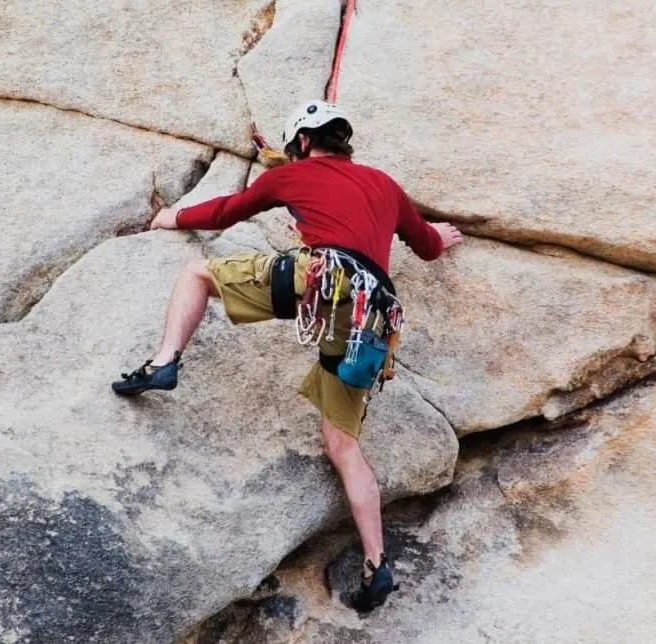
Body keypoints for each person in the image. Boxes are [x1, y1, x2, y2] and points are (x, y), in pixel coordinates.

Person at [111, 100, 463, 611]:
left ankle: (164, 361)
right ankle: (377, 562)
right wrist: (444, 238)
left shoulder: (291, 178)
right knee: (342, 443)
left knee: (196, 274)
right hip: (371, 315)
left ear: (302, 142)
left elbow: (227, 211)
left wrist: (171, 217)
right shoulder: (384, 184)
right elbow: (427, 245)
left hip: (322, 276)